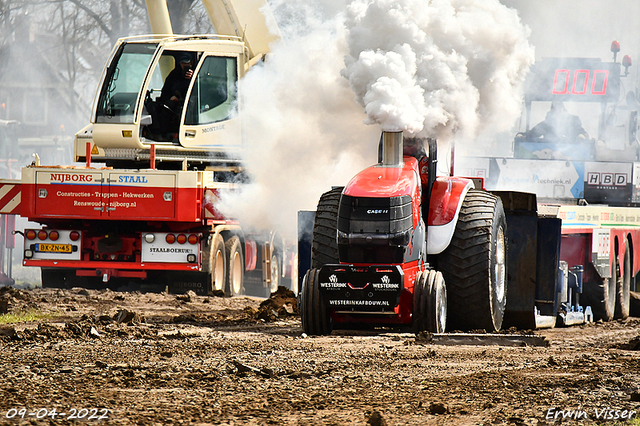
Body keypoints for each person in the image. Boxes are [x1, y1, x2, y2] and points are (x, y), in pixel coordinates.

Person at [157, 53, 194, 138]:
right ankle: (162, 135)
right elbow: (165, 92)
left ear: (191, 63)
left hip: (191, 103)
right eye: (182, 64)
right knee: (164, 107)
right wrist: (171, 97)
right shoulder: (173, 75)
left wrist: (193, 79)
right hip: (175, 102)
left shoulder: (197, 74)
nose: (184, 66)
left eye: (187, 63)